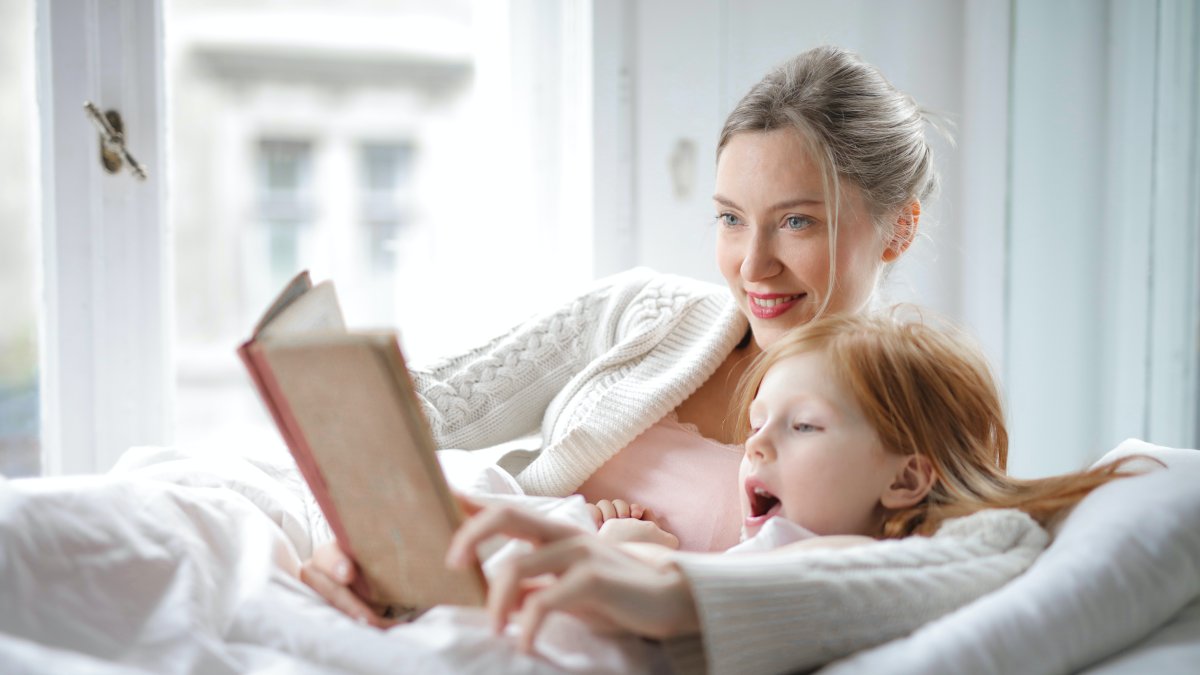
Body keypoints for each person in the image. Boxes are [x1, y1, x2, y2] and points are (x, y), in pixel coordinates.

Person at [301, 43, 933, 635]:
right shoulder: (644, 312)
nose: (752, 264)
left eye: (797, 221)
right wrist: (364, 541)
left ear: (899, 228)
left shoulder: (908, 426)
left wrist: (651, 582)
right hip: (459, 608)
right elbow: (418, 417)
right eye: (732, 220)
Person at [445, 312, 1146, 671]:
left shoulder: (860, 553)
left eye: (803, 424)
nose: (756, 444)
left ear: (906, 476)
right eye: (757, 423)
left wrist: (635, 560)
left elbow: (1001, 541)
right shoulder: (783, 539)